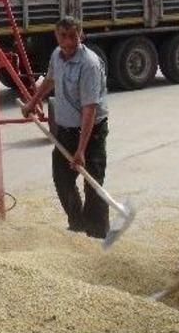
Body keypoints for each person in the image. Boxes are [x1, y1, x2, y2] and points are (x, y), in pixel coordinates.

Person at [21, 17, 109, 238]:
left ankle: (98, 233)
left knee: (93, 184)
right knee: (62, 178)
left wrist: (81, 150)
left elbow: (89, 110)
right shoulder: (56, 56)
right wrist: (33, 101)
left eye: (73, 36)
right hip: (65, 129)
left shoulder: (89, 64)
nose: (68, 42)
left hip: (92, 132)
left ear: (81, 36)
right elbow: (50, 80)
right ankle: (78, 224)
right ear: (56, 36)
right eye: (63, 36)